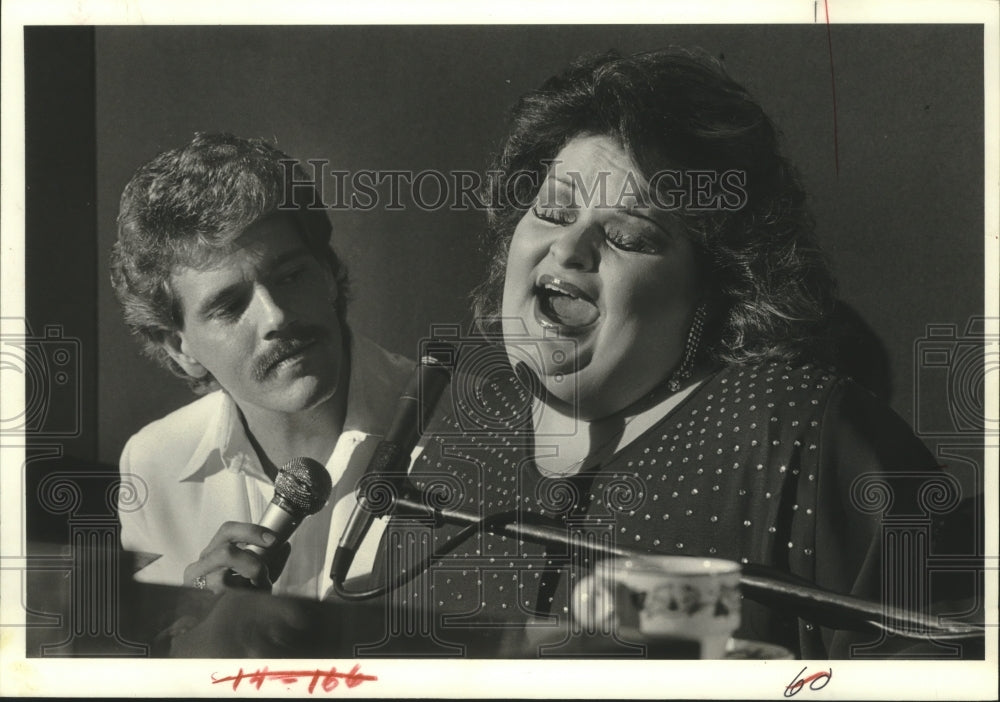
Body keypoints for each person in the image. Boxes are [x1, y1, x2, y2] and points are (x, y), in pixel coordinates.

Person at [363, 49, 976, 659]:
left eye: (629, 235)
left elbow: (949, 659)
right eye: (552, 211)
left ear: (716, 290)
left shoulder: (797, 428)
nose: (570, 247)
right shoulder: (465, 434)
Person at [112, 132, 413, 601]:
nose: (276, 316)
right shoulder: (153, 461)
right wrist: (199, 622)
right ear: (181, 348)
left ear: (329, 274)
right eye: (229, 306)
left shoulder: (455, 429)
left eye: (292, 276)